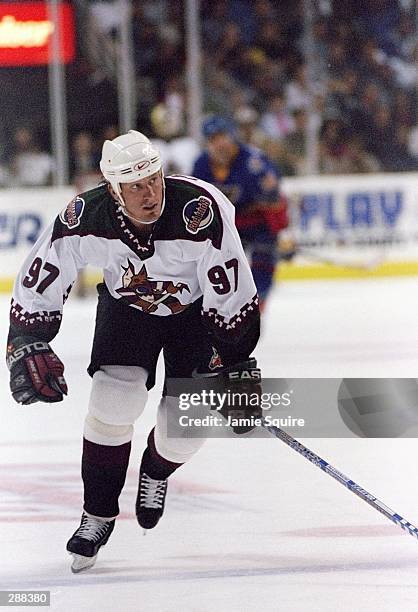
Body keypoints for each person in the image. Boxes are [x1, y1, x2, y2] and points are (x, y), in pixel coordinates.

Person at [5, 130, 260, 573]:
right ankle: (97, 515)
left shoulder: (201, 211)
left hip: (194, 319)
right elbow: (43, 270)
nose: (150, 194)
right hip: (128, 313)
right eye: (136, 186)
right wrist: (27, 338)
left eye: (155, 180)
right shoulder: (85, 215)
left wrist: (234, 361)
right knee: (112, 402)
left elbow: (231, 286)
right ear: (113, 190)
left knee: (186, 429)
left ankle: (155, 472)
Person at [192, 116, 290, 311]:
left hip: (257, 223)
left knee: (263, 260)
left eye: (222, 137)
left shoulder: (254, 163)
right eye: (213, 139)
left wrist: (284, 232)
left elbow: (275, 200)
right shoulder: (201, 165)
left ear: (232, 136)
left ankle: (255, 308)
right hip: (224, 225)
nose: (219, 144)